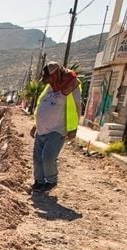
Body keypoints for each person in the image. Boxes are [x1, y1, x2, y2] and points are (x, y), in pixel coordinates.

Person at [29, 61, 81, 192]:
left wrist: (73, 128)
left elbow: (76, 107)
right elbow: (41, 105)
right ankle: (39, 181)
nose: (48, 81)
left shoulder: (71, 86)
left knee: (48, 156)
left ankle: (51, 181)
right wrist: (35, 124)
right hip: (41, 129)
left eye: (50, 78)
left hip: (57, 130)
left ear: (57, 74)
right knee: (37, 158)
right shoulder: (50, 87)